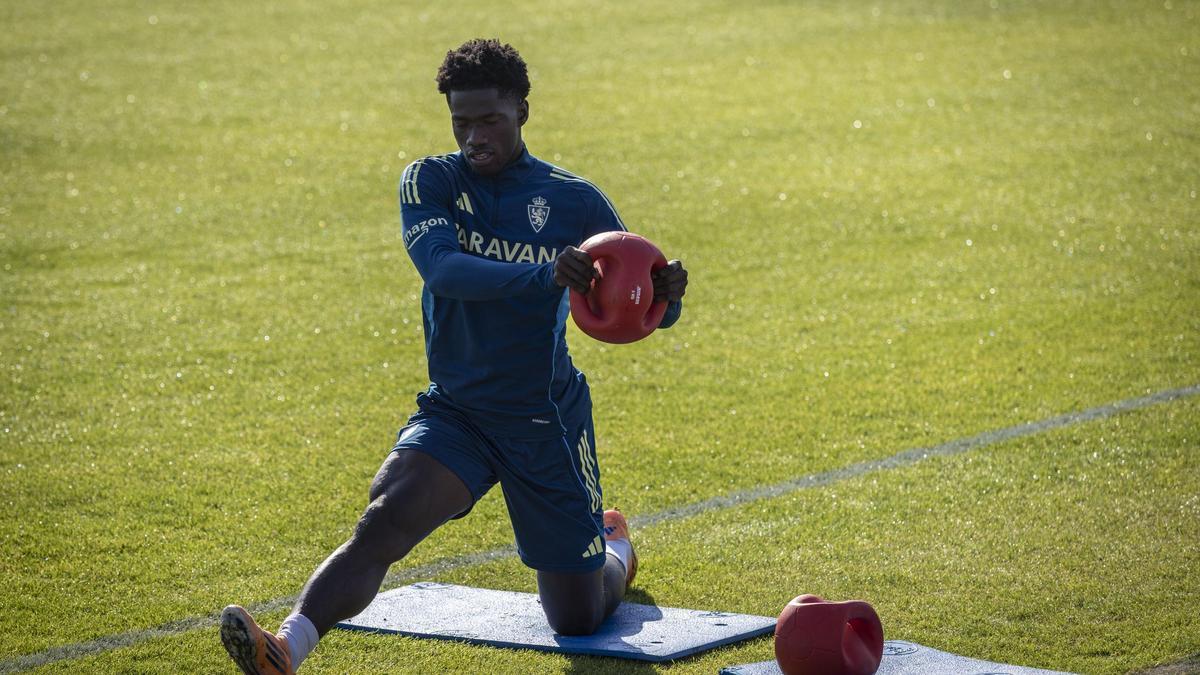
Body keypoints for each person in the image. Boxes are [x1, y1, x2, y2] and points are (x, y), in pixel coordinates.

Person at [219, 38, 688, 674]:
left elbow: (631, 305)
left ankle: (613, 552)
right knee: (386, 517)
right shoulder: (431, 180)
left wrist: (664, 294)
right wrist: (543, 275)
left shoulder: (575, 201)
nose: (474, 137)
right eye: (460, 122)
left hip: (544, 420)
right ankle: (286, 648)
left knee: (576, 618)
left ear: (522, 111)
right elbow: (442, 269)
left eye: (489, 120)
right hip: (460, 411)